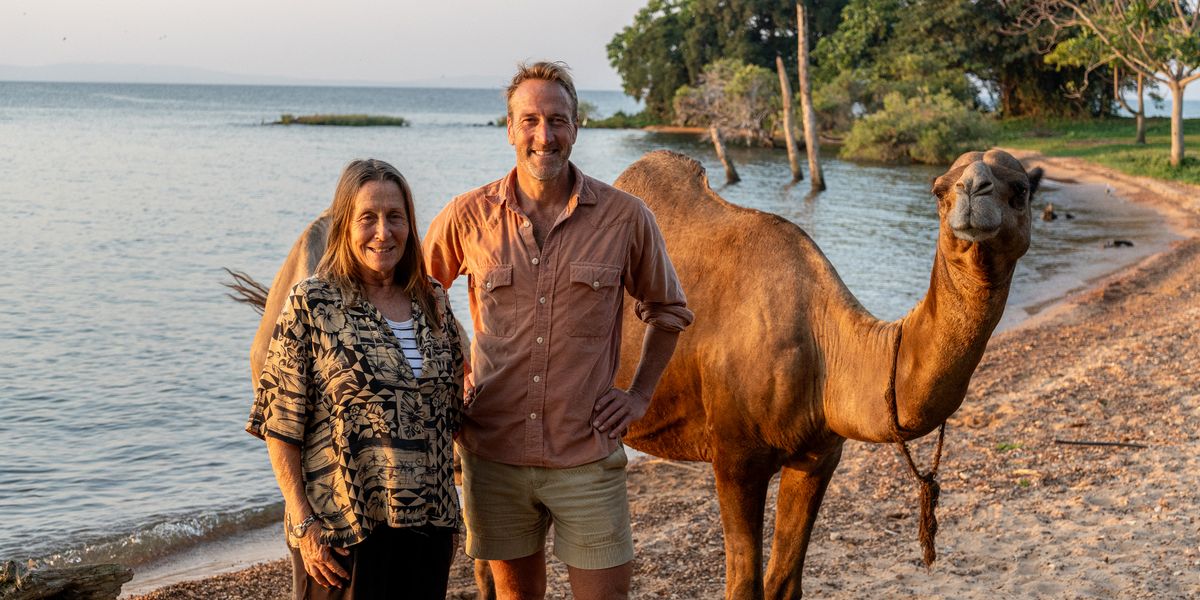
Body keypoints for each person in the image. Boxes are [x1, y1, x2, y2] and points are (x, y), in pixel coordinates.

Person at [424, 62, 693, 600]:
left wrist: (639, 395)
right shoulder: (467, 216)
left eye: (557, 120)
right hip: (494, 454)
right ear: (509, 128)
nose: (543, 136)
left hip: (585, 456)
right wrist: (452, 372)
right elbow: (416, 295)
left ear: (576, 126)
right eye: (529, 121)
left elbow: (669, 310)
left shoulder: (625, 217)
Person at [247, 159, 465, 600]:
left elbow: (452, 410)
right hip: (341, 533)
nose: (383, 232)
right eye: (368, 218)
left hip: (430, 532)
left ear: (410, 225)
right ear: (345, 224)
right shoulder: (313, 303)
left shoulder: (433, 300)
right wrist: (305, 525)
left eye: (395, 217)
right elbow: (279, 425)